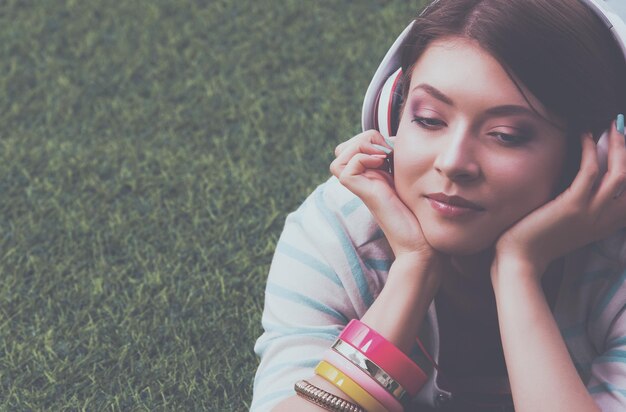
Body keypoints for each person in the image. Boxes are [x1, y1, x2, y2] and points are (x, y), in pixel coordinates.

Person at [251, 0, 626, 410]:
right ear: (391, 114)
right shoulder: (340, 231)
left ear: (595, 156)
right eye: (429, 119)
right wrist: (413, 269)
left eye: (505, 134)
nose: (452, 162)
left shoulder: (615, 264)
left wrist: (517, 270)